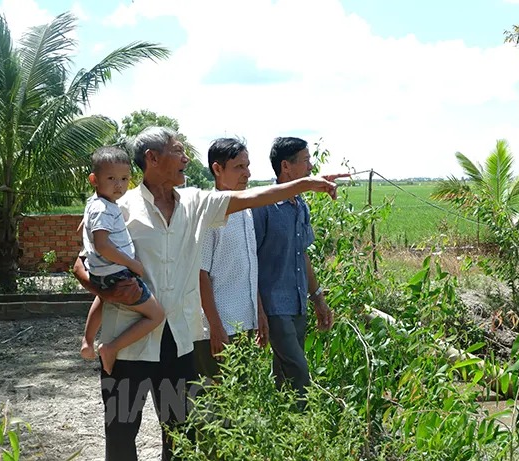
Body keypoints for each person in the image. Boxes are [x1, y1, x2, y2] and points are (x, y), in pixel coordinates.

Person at [72, 127, 339, 461]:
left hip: (179, 345)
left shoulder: (195, 204)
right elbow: (82, 263)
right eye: (178, 151)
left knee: (180, 436)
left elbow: (251, 198)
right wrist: (102, 288)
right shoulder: (119, 208)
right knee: (122, 432)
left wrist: (303, 184)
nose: (187, 158)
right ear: (152, 159)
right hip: (128, 344)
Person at [252, 137, 335, 401]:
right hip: (274, 305)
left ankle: (285, 430)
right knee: (300, 372)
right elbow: (250, 258)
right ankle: (306, 427)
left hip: (297, 302)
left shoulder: (300, 205)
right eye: (306, 160)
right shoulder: (262, 206)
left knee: (285, 375)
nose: (311, 166)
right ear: (286, 166)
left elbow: (303, 256)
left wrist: (318, 299)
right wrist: (258, 308)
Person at [79, 146, 165, 376]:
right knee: (157, 315)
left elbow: (88, 234)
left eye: (124, 179)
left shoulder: (95, 203)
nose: (119, 185)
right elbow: (102, 245)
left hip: (103, 273)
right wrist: (132, 264)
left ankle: (87, 340)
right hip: (118, 273)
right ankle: (110, 348)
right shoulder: (103, 209)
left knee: (102, 298)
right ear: (94, 179)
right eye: (111, 178)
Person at [194, 138, 268, 381]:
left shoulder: (244, 210)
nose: (247, 173)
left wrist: (260, 313)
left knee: (242, 398)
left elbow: (249, 269)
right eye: (239, 167)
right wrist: (215, 327)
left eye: (247, 166)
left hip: (245, 322)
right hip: (222, 327)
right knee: (219, 399)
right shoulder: (210, 213)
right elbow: (200, 273)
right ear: (217, 169)